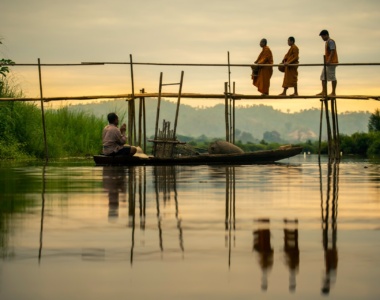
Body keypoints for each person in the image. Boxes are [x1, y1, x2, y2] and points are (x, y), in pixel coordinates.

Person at [317, 29, 338, 96]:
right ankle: (324, 91)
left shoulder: (331, 41)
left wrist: (329, 60)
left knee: (332, 77)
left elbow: (332, 51)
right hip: (328, 62)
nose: (322, 38)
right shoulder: (327, 42)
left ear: (326, 35)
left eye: (323, 36)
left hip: (332, 62)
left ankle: (333, 92)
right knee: (323, 77)